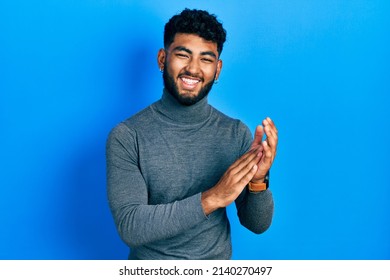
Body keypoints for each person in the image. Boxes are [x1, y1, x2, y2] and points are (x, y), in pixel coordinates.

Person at [106, 8, 278, 260]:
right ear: (162, 59)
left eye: (206, 59)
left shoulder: (236, 133)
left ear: (217, 69)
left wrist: (258, 181)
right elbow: (130, 226)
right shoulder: (127, 136)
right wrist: (213, 197)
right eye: (183, 55)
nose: (193, 69)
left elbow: (257, 224)